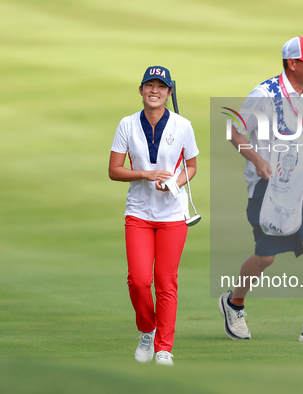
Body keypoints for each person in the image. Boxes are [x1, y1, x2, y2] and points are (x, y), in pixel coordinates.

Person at [218, 36, 303, 342]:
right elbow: (235, 130)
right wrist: (257, 159)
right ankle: (234, 302)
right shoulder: (264, 93)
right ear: (292, 63)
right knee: (267, 256)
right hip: (268, 183)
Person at [109, 66, 199, 366]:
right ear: (141, 90)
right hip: (139, 212)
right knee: (138, 280)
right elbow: (114, 170)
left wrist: (173, 182)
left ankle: (163, 347)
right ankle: (147, 329)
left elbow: (192, 166)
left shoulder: (183, 125)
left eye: (161, 87)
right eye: (150, 85)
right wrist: (146, 175)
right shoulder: (127, 124)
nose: (155, 91)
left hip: (173, 214)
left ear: (169, 92)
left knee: (165, 281)